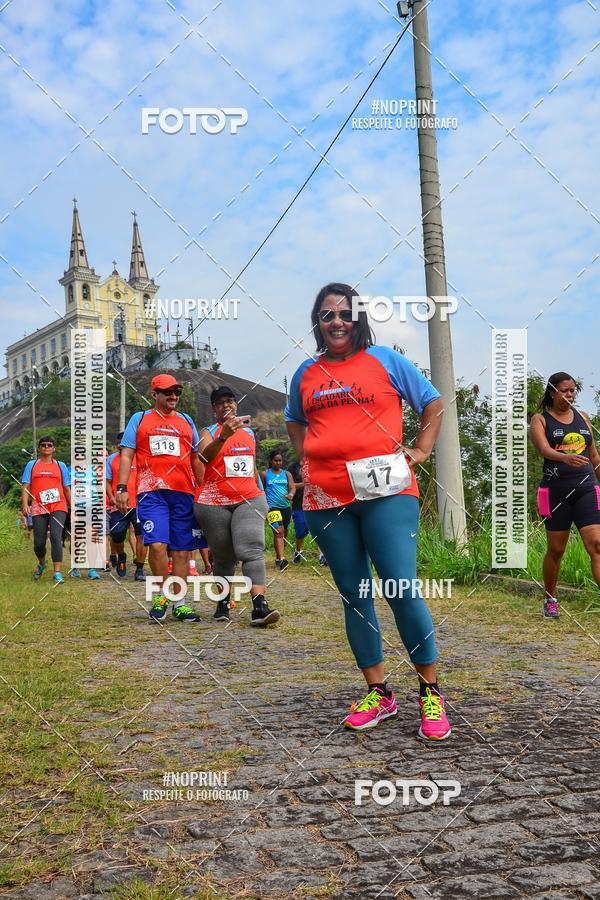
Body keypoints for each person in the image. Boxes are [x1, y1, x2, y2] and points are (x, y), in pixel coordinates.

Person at [285, 282, 450, 741]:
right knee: (355, 597)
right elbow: (294, 420)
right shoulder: (306, 372)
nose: (337, 322)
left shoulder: (386, 361)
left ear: (358, 318)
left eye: (345, 313)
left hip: (387, 490)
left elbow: (433, 403)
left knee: (401, 587)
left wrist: (421, 448)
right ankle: (379, 692)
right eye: (327, 315)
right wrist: (308, 460)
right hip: (325, 498)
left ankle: (430, 691)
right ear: (317, 323)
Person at [116, 374, 205, 621]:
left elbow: (196, 457)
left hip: (183, 492)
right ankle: (162, 597)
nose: (173, 396)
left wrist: (203, 487)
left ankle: (180, 603)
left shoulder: (187, 421)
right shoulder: (140, 419)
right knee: (156, 545)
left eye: (176, 392)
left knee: (181, 552)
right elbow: (126, 455)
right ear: (154, 394)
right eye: (167, 392)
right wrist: (122, 487)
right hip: (151, 491)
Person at [195, 386, 280, 626]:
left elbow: (251, 465)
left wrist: (261, 493)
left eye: (230, 401)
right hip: (214, 502)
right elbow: (204, 458)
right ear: (214, 409)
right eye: (220, 403)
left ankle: (260, 606)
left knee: (251, 549)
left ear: (236, 405)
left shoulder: (249, 433)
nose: (226, 406)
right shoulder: (208, 432)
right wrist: (223, 436)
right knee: (223, 557)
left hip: (248, 498)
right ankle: (223, 602)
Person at [530, 372, 600, 618]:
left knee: (597, 545)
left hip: (586, 489)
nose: (569, 395)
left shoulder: (583, 418)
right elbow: (543, 449)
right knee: (556, 550)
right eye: (564, 390)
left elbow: (594, 457)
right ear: (552, 392)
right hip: (555, 491)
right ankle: (550, 599)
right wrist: (564, 457)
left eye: (572, 391)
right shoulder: (541, 420)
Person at [21, 437, 71, 585]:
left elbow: (66, 488)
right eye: (43, 445)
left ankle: (57, 572)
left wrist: (72, 507)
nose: (46, 447)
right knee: (39, 542)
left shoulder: (60, 466)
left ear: (54, 449)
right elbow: (25, 487)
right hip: (38, 506)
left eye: (50, 445)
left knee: (56, 536)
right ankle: (42, 563)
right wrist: (25, 504)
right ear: (39, 448)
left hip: (58, 505)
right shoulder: (32, 464)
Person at [106, 432, 147, 581]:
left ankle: (140, 568)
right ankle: (121, 556)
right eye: (118, 442)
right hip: (119, 505)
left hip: (140, 504)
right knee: (117, 535)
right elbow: (107, 481)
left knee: (141, 534)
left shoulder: (141, 457)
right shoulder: (111, 459)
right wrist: (111, 497)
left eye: (123, 443)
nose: (120, 445)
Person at [289, 458, 327, 566]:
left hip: (315, 503)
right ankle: (297, 551)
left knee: (318, 530)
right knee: (300, 532)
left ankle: (322, 556)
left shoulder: (316, 464)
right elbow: (290, 485)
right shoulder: (293, 467)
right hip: (299, 504)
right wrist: (305, 484)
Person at [261, 450, 295, 569]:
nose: (278, 462)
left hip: (285, 507)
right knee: (278, 531)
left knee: (283, 532)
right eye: (276, 460)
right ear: (271, 461)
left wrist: (291, 494)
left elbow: (292, 487)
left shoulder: (287, 474)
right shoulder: (265, 474)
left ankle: (278, 556)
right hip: (272, 507)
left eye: (280, 460)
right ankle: (282, 559)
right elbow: (261, 490)